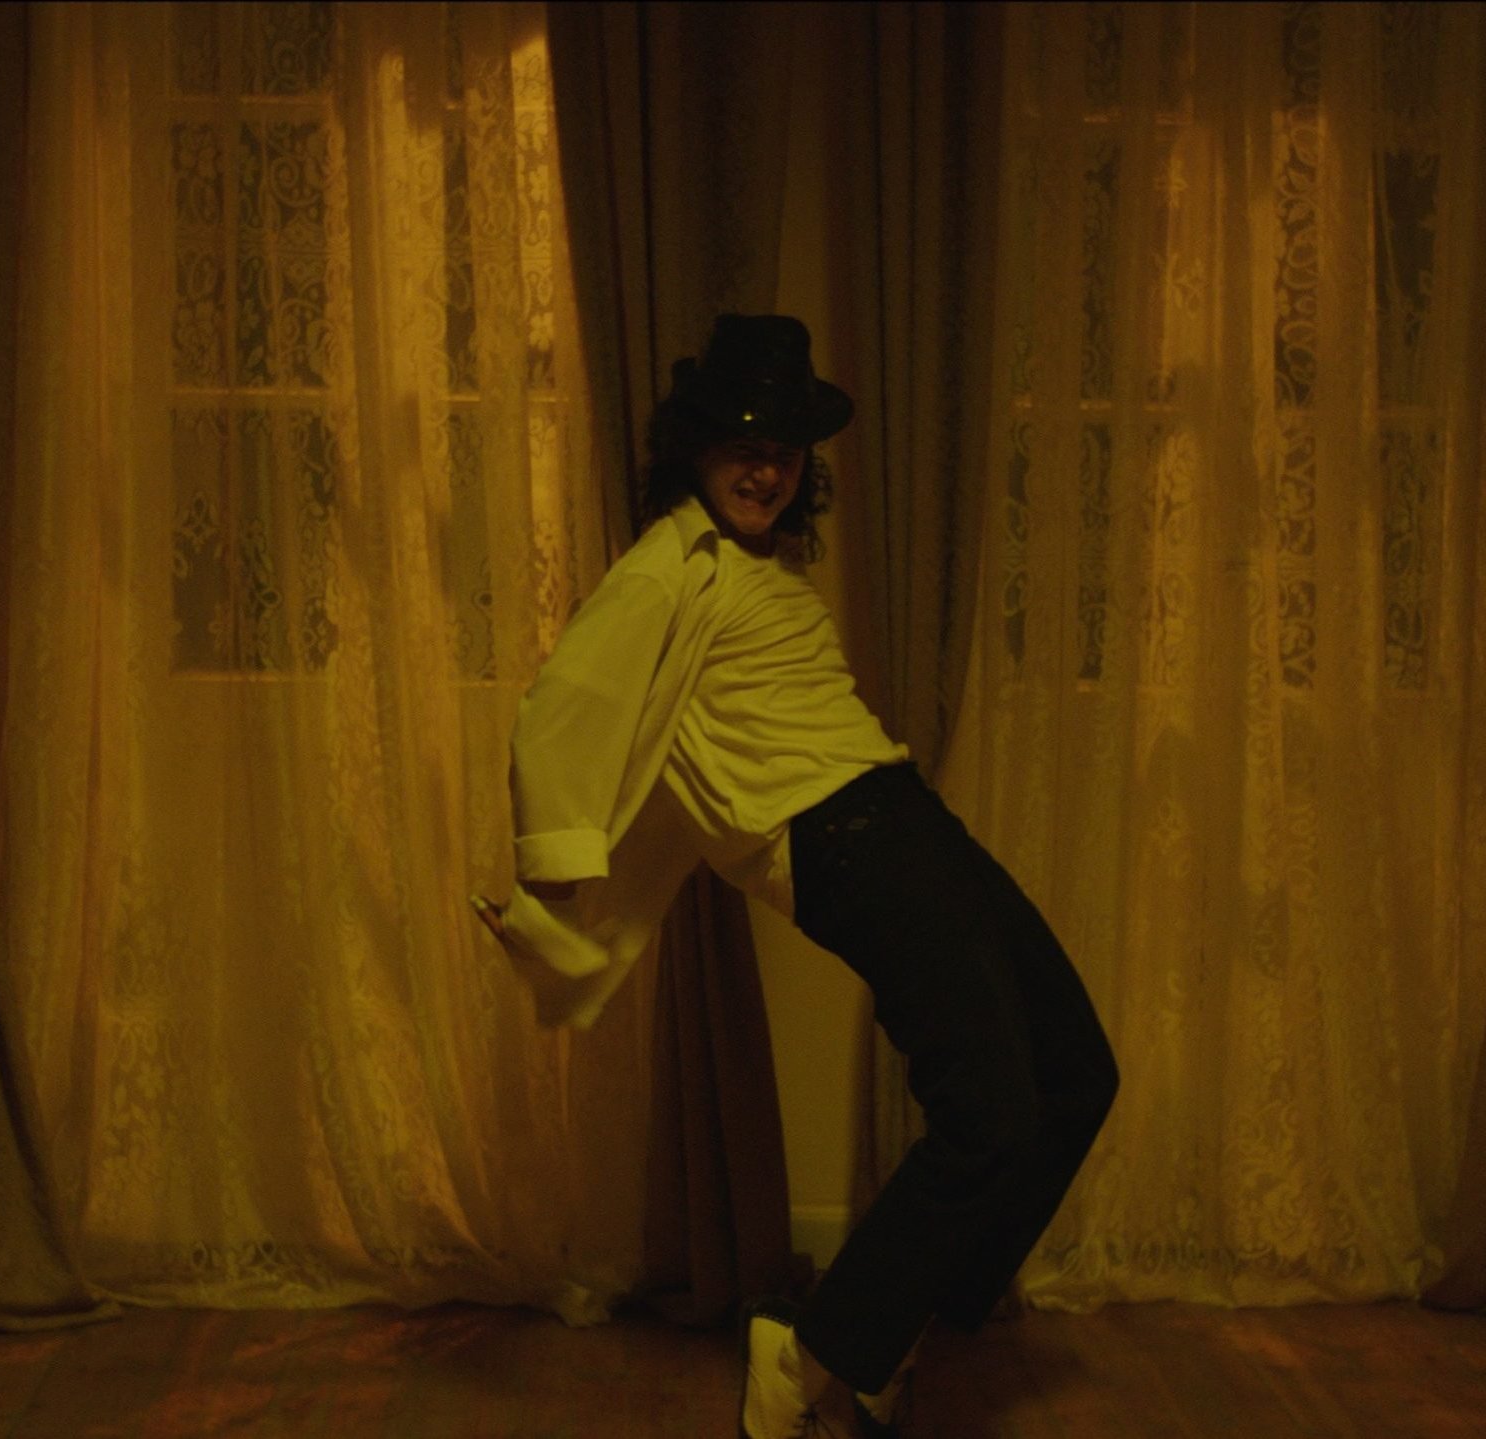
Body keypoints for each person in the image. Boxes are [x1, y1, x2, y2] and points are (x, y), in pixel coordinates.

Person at [475, 314, 1117, 1439]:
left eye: (782, 450)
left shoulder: (754, 566)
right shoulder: (667, 564)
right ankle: (815, 1352)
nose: (765, 470)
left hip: (903, 814)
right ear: (694, 449)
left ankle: (891, 1328)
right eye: (742, 445)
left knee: (1074, 1069)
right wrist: (560, 871)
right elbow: (562, 703)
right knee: (988, 1111)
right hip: (839, 839)